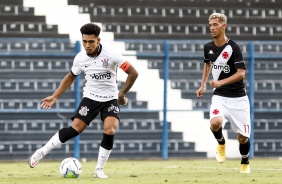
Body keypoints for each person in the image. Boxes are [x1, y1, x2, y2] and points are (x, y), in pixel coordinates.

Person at [28, 23, 138, 178]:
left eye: (91, 42)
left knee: (110, 129)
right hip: (90, 98)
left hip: (110, 99)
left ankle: (99, 170)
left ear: (98, 40)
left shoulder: (112, 54)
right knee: (75, 130)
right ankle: (41, 152)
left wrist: (121, 95)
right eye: (84, 41)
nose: (87, 45)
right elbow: (71, 76)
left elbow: (133, 73)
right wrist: (55, 96)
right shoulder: (80, 58)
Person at [196, 13, 251, 174]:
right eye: (210, 25)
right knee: (215, 122)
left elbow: (241, 73)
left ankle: (245, 161)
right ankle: (221, 143)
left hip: (239, 99)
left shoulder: (234, 47)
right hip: (220, 96)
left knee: (243, 138)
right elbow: (207, 65)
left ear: (224, 26)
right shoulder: (208, 47)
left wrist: (220, 81)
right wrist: (203, 85)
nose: (212, 28)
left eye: (215, 24)